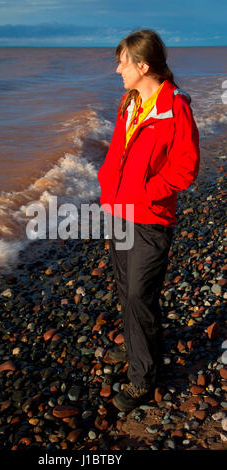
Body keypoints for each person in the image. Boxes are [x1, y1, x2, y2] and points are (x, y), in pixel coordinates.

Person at [97, 29, 200, 412]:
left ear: (143, 65)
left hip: (151, 218)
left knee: (140, 296)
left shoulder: (175, 107)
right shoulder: (130, 100)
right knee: (127, 292)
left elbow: (185, 170)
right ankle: (141, 352)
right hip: (119, 214)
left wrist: (142, 191)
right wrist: (107, 187)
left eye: (123, 61)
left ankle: (143, 379)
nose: (117, 68)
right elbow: (117, 151)